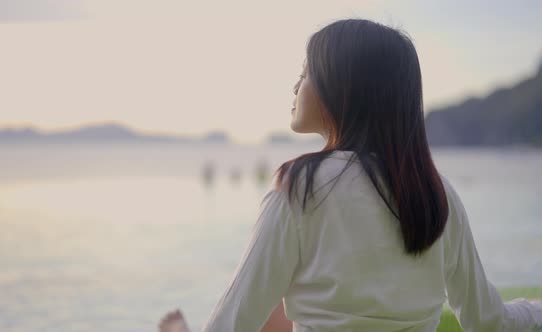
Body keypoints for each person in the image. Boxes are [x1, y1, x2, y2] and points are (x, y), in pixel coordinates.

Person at [160, 18, 542, 332]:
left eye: (306, 72)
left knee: (274, 298)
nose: (295, 85)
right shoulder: (436, 193)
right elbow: (488, 322)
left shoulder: (301, 187)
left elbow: (230, 325)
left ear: (340, 89)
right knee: (282, 300)